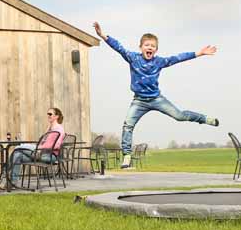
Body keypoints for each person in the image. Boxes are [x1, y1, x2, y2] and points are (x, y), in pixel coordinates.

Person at [93, 21, 219, 169]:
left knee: (179, 116)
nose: (150, 48)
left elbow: (178, 58)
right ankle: (127, 155)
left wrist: (199, 53)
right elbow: (118, 47)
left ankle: (203, 119)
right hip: (139, 101)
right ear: (141, 47)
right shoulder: (133, 57)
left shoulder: (159, 62)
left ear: (156, 50)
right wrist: (103, 35)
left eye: (153, 46)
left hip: (157, 99)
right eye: (147, 45)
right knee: (128, 125)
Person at [9, 107, 66, 183]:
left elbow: (57, 146)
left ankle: (4, 171)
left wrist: (41, 147)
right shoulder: (51, 128)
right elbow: (43, 141)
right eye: (47, 114)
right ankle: (12, 182)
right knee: (17, 154)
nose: (48, 115)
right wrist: (47, 130)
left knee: (18, 147)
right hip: (41, 153)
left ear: (56, 116)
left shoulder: (59, 129)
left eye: (50, 114)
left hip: (49, 156)